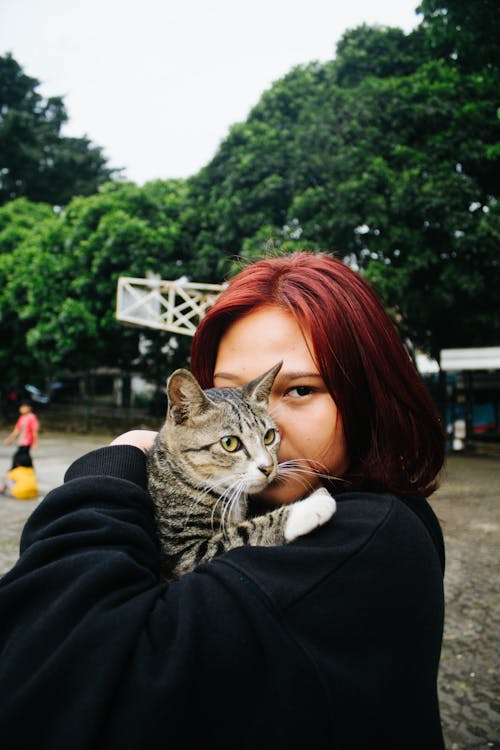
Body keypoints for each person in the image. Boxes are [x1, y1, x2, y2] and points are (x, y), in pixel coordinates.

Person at [0, 252, 446, 749]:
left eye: (299, 390)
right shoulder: (249, 499)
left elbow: (49, 683)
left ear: (368, 397)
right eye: (235, 394)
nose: (264, 427)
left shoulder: (371, 537)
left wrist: (115, 463)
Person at [3, 399, 39, 469]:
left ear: (29, 408)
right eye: (20, 407)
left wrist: (35, 443)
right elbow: (16, 431)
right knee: (26, 458)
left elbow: (35, 431)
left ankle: (12, 472)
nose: (21, 409)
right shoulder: (21, 418)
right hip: (22, 442)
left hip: (27, 443)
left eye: (23, 407)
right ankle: (31, 472)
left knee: (17, 457)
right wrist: (10, 439)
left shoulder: (32, 417)